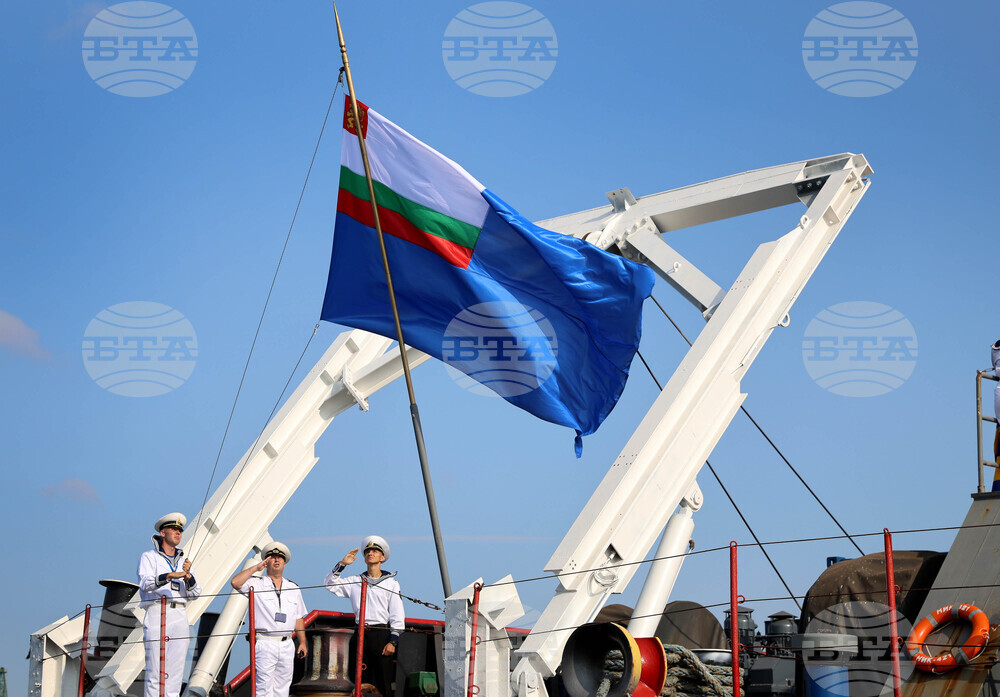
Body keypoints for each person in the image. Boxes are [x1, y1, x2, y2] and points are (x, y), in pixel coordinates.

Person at [324, 536, 404, 697]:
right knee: (359, 681)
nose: (370, 553)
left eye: (375, 551)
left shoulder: (391, 583)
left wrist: (393, 641)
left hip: (381, 634)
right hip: (360, 633)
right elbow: (330, 584)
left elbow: (397, 613)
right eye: (367, 551)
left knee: (383, 681)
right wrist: (342, 564)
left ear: (382, 558)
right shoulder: (355, 581)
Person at [231, 542, 308, 697]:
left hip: (287, 643)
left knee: (283, 687)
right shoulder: (256, 583)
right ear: (266, 563)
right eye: (272, 558)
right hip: (265, 642)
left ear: (285, 563)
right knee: (264, 688)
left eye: (280, 558)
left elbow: (298, 617)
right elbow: (236, 583)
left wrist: (302, 642)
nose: (276, 560)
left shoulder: (293, 588)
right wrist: (255, 568)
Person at [137, 513, 202, 697]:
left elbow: (195, 593)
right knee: (155, 668)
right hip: (158, 610)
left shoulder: (184, 562)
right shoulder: (149, 557)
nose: (178, 532)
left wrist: (188, 577)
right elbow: (145, 583)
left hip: (179, 613)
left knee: (176, 670)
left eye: (180, 530)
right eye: (174, 529)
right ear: (163, 532)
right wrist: (169, 576)